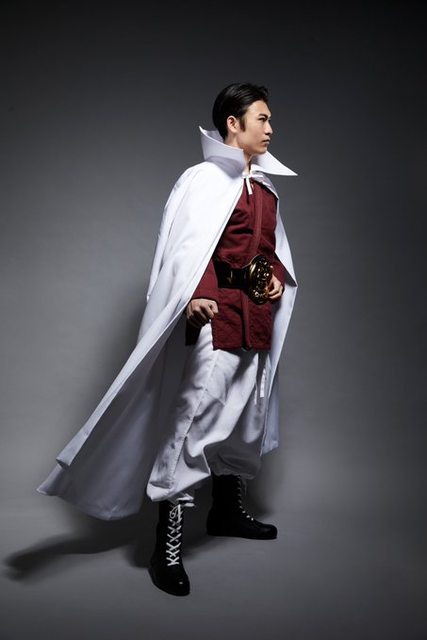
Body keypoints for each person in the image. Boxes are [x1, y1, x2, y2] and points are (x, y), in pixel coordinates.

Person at [37, 83, 298, 597]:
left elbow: (268, 250)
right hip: (218, 315)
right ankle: (167, 542)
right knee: (196, 418)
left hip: (256, 319)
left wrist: (272, 278)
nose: (270, 128)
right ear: (233, 124)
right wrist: (196, 295)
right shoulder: (203, 180)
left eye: (269, 120)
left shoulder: (266, 190)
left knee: (245, 416)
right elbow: (188, 248)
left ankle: (226, 510)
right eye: (262, 118)